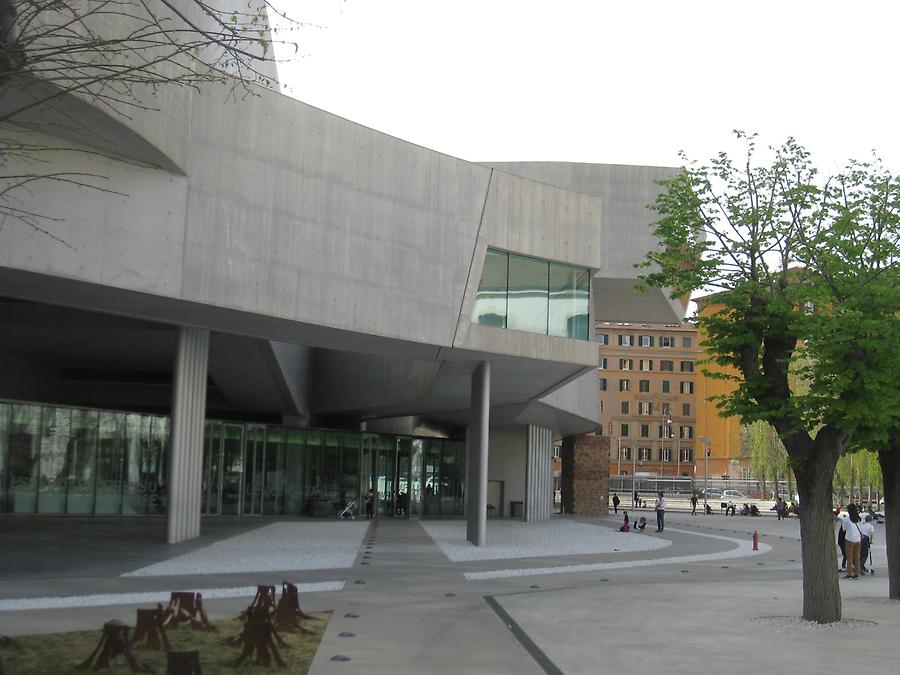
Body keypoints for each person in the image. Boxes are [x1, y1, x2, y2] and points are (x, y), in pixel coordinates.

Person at [841, 503, 862, 578]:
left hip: (849, 539)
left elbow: (844, 529)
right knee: (857, 557)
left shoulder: (846, 519)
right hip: (858, 539)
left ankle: (849, 573)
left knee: (849, 557)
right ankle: (857, 572)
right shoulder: (859, 519)